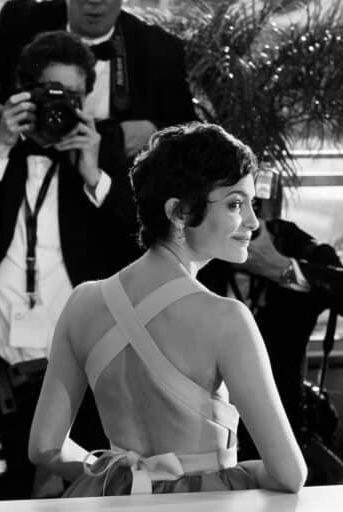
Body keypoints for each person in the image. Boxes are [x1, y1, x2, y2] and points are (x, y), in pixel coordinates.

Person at [29, 122, 307, 496]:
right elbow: (289, 474)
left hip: (116, 503)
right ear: (179, 211)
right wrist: (228, 472)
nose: (253, 222)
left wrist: (123, 474)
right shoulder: (227, 319)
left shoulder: (82, 302)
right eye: (236, 204)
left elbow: (45, 448)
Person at [0, 30, 139, 499]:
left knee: (77, 501)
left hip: (80, 374)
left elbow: (136, 245)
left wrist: (93, 173)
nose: (62, 106)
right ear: (22, 90)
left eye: (74, 95)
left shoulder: (103, 143)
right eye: (50, 92)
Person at [197, 198, 343, 468]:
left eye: (251, 205)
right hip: (200, 434)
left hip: (279, 432)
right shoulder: (199, 247)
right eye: (232, 205)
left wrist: (279, 268)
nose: (246, 222)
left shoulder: (286, 240)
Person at [0, 0, 198, 167]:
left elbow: (191, 136)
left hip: (110, 197)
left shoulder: (159, 49)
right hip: (19, 187)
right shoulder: (21, 22)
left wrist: (156, 134)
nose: (95, 2)